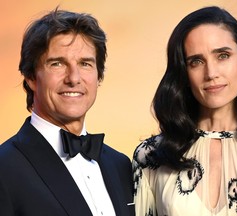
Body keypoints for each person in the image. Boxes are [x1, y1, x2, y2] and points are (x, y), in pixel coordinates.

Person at [132, 6, 237, 216]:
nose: (211, 73)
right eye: (196, 61)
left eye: (222, 56)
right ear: (183, 73)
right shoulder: (150, 156)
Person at [0, 8, 135, 216]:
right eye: (57, 63)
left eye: (85, 63)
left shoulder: (120, 165)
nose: (74, 78)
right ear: (31, 77)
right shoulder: (4, 167)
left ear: (98, 76)